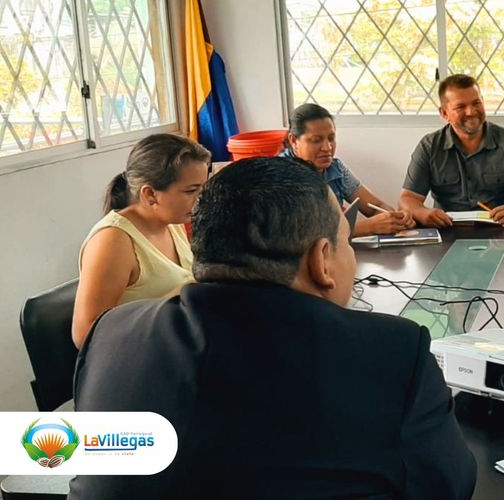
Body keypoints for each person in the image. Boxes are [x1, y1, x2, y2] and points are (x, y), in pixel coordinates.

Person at [69, 157, 477, 499]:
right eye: (346, 243)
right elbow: (448, 486)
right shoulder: (394, 352)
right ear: (322, 260)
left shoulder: (111, 333)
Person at [72, 134, 210, 348]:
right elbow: (85, 334)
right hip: (140, 356)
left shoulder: (172, 221)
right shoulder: (113, 240)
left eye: (203, 188)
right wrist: (179, 297)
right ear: (150, 194)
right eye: (191, 191)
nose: (201, 198)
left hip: (175, 344)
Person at [399, 74, 504, 229]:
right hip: (447, 231)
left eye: (476, 103)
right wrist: (422, 213)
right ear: (444, 113)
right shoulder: (429, 147)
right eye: (460, 107)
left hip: (502, 230)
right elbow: (407, 199)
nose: (471, 112)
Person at [281, 103, 414, 236]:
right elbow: (301, 235)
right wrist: (369, 226)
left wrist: (393, 218)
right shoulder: (279, 174)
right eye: (316, 140)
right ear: (293, 141)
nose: (327, 147)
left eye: (331, 138)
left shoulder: (335, 169)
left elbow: (375, 206)